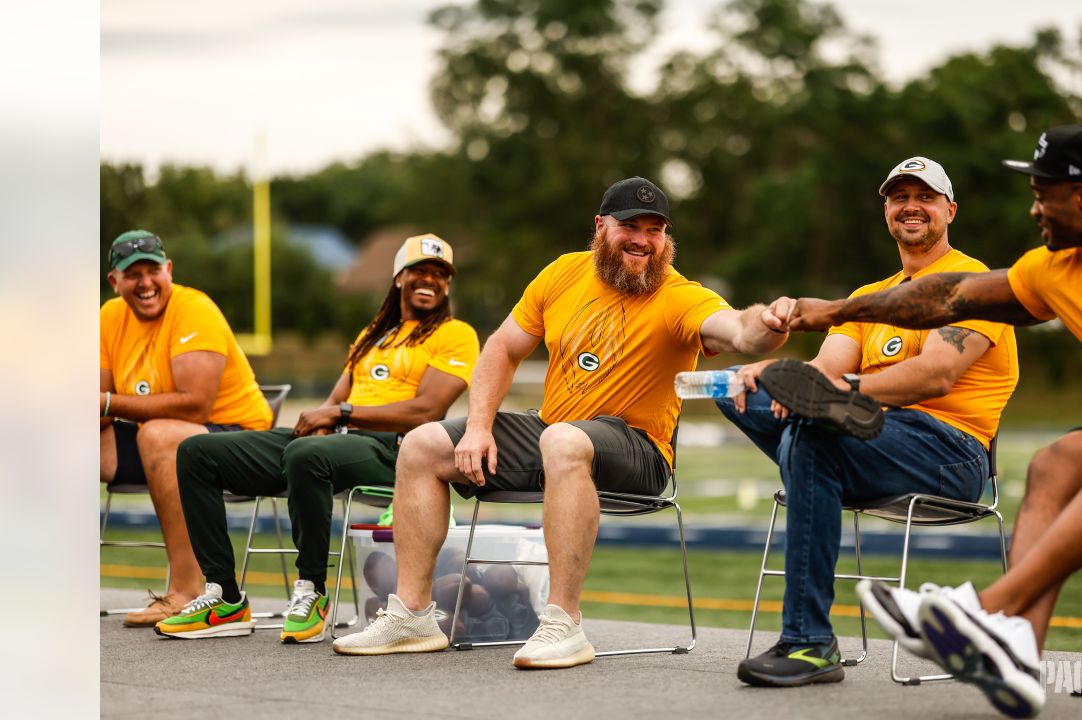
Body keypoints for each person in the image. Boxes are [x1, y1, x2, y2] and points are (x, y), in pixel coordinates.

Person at [785, 125, 1082, 718]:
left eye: (1042, 194)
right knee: (1058, 461)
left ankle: (988, 611)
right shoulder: (1056, 270)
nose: (1033, 207)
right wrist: (838, 311)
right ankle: (1018, 649)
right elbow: (944, 299)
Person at [331, 176, 792, 666]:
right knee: (423, 444)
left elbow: (741, 330)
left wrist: (770, 321)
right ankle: (413, 617)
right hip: (554, 433)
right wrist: (479, 426)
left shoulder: (681, 296)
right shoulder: (563, 274)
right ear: (600, 227)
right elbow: (502, 348)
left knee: (564, 440)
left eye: (654, 229)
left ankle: (564, 623)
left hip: (639, 448)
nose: (642, 239)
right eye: (629, 226)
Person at [719, 157, 1019, 687]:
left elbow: (936, 375)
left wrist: (833, 394)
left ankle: (809, 643)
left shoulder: (975, 284)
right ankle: (814, 457)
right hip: (871, 435)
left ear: (949, 210)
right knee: (738, 393)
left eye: (924, 196)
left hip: (950, 451)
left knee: (813, 434)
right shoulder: (866, 299)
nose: (911, 206)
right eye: (899, 196)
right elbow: (822, 373)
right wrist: (774, 373)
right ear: (886, 211)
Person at [158, 235, 479, 643]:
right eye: (420, 271)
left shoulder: (457, 334)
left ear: (447, 285)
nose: (430, 280)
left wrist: (339, 414)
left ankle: (312, 590)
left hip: (396, 450)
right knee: (197, 452)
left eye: (440, 274)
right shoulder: (371, 336)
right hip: (335, 444)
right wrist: (327, 417)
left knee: (309, 454)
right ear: (399, 278)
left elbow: (427, 410)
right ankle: (224, 597)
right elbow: (332, 404)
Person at [101, 230, 274, 627]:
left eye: (153, 271)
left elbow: (196, 404)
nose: (145, 283)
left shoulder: (194, 308)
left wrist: (107, 403)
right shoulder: (109, 316)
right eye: (133, 274)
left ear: (169, 270)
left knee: (158, 435)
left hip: (239, 439)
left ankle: (187, 591)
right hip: (166, 441)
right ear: (115, 282)